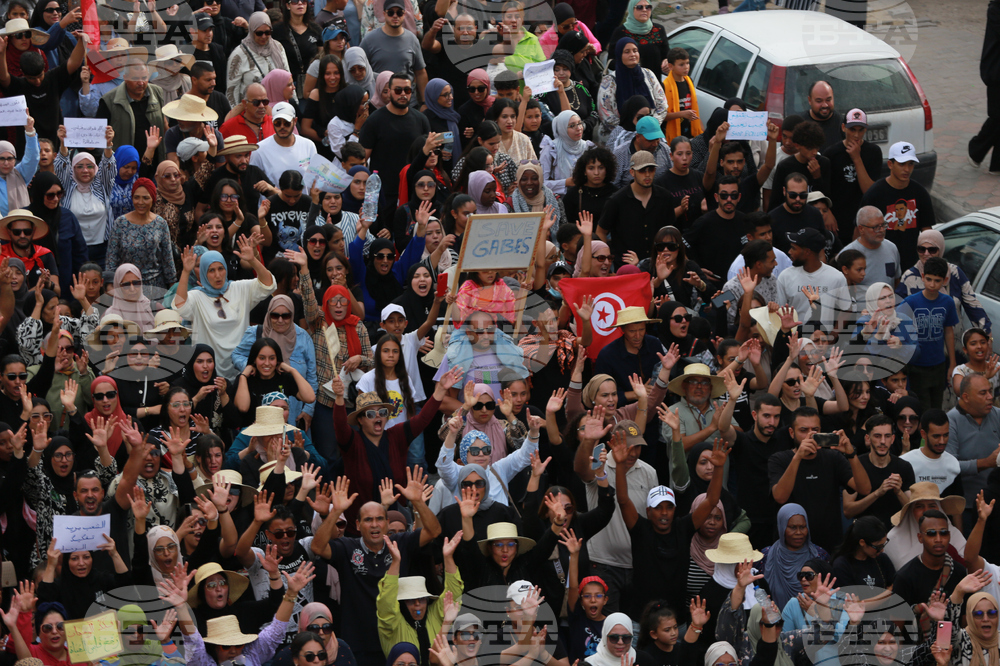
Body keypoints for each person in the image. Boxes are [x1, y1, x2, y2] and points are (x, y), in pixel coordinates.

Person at [768, 407, 871, 552]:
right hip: (792, 547)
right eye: (803, 430)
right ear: (792, 433)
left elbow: (864, 488)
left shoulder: (833, 458)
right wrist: (798, 457)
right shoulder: (779, 459)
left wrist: (851, 454)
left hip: (829, 544)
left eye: (815, 430)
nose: (810, 435)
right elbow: (780, 497)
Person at [175, 242, 276, 380]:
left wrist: (253, 260)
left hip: (240, 367)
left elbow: (268, 285)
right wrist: (186, 271)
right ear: (204, 273)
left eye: (221, 268)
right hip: (209, 370)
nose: (218, 275)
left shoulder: (239, 288)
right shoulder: (197, 296)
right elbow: (180, 307)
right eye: (211, 270)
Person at [896, 229, 992, 336]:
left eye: (932, 250)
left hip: (954, 343)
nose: (926, 254)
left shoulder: (955, 273)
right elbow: (898, 314)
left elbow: (973, 306)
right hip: (923, 345)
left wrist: (986, 334)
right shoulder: (909, 277)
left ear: (940, 250)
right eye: (921, 249)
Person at [359, 72, 430, 213]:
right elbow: (362, 158)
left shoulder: (421, 120)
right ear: (389, 92)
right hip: (384, 193)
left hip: (414, 190)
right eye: (398, 90)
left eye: (407, 90)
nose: (403, 94)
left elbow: (428, 155)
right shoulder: (374, 121)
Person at [859, 141, 936, 269]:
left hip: (911, 264)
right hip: (881, 263)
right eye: (901, 164)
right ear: (890, 164)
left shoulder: (920, 193)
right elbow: (860, 232)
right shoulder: (874, 194)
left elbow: (927, 232)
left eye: (910, 164)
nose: (907, 169)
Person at [597, 151, 674, 266]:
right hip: (625, 266)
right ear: (632, 172)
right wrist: (608, 259)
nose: (647, 175)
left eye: (651, 169)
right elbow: (601, 231)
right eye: (642, 170)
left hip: (659, 263)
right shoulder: (617, 200)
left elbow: (671, 231)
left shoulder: (665, 197)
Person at [54, 125, 116, 266]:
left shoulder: (103, 185)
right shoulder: (67, 186)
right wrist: (63, 143)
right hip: (76, 248)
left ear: (95, 168)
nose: (85, 170)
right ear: (73, 169)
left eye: (89, 166)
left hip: (103, 248)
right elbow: (61, 166)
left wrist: (108, 145)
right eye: (79, 166)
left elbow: (109, 167)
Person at [903, 256, 958, 410]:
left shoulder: (947, 302)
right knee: (922, 407)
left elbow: (948, 331)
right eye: (929, 279)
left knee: (936, 406)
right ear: (922, 277)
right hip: (916, 365)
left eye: (937, 280)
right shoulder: (911, 302)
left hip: (938, 364)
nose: (932, 284)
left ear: (945, 280)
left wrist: (952, 363)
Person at [842, 415, 916, 528]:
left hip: (896, 532)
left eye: (887, 436)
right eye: (877, 436)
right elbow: (848, 511)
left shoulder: (903, 467)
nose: (882, 441)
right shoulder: (856, 465)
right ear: (868, 438)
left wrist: (898, 492)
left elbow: (912, 512)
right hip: (865, 534)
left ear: (892, 439)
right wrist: (877, 493)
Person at [105, 178, 176, 290]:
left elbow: (167, 260)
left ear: (153, 199)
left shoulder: (161, 223)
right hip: (128, 287)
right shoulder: (120, 223)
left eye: (145, 198)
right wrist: (110, 286)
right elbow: (112, 259)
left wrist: (172, 289)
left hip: (155, 287)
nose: (140, 202)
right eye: (136, 197)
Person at [776, 228, 849, 325]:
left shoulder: (836, 277)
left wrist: (833, 334)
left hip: (823, 338)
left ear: (807, 252)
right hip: (795, 337)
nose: (789, 251)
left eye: (794, 248)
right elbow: (779, 311)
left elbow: (846, 309)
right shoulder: (785, 276)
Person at [360, 0, 426, 105]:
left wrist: (424, 102)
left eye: (399, 13)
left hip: (408, 103)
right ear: (384, 14)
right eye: (391, 12)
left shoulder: (412, 39)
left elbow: (420, 72)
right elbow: (360, 71)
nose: (395, 16)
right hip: (379, 105)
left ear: (404, 14)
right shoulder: (369, 40)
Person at [597, 38, 667, 136]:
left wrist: (648, 127)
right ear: (619, 55)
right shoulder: (610, 81)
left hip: (649, 134)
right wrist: (628, 132)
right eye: (627, 52)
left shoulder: (648, 74)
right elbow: (605, 112)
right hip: (619, 136)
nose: (632, 54)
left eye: (635, 51)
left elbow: (662, 105)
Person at [226, 12, 291, 107]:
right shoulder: (239, 54)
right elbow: (232, 91)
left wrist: (293, 104)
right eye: (259, 33)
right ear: (251, 31)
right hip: (252, 112)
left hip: (279, 110)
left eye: (267, 32)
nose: (264, 36)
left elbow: (288, 78)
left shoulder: (278, 47)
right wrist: (235, 116)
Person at [250, 102, 317, 185]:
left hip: (304, 197)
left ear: (295, 121)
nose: (282, 126)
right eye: (277, 123)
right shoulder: (259, 150)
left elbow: (315, 179)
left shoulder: (309, 145)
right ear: (272, 122)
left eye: (286, 123)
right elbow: (253, 182)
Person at [838, 206, 902, 287]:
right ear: (861, 229)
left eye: (883, 225)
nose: (882, 230)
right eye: (876, 227)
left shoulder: (891, 248)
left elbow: (896, 281)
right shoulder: (847, 254)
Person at [607, 0, 668, 74]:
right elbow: (610, 62)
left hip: (654, 82)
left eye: (648, 7)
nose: (644, 10)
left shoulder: (658, 30)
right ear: (631, 9)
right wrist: (628, 63)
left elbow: (666, 55)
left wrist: (666, 62)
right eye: (639, 7)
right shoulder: (621, 32)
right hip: (629, 81)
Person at [661, 48, 701, 142]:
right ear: (671, 66)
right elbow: (662, 116)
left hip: (689, 133)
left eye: (687, 63)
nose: (686, 67)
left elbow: (694, 110)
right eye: (681, 64)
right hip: (672, 135)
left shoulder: (689, 81)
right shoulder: (664, 86)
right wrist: (681, 114)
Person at [798, 81, 843, 151]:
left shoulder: (842, 124)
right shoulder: (798, 124)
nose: (825, 105)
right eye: (819, 101)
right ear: (810, 100)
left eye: (828, 100)